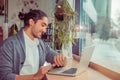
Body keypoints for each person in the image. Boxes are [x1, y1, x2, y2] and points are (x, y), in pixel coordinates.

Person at [0, 9, 67, 80]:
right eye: (42, 25)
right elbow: (4, 76)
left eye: (46, 27)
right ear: (31, 22)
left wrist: (62, 59)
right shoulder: (8, 45)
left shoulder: (40, 43)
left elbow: (52, 55)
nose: (44, 30)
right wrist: (34, 77)